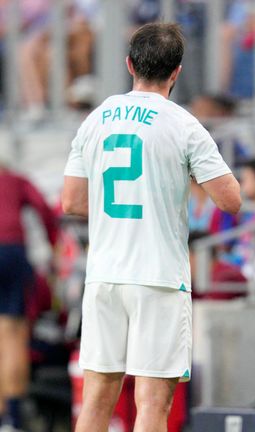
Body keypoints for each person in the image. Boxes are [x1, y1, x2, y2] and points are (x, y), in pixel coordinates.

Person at [61, 23, 241, 432]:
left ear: (129, 65)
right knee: (153, 405)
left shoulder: (96, 119)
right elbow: (231, 201)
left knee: (95, 401)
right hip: (158, 276)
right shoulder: (184, 125)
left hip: (104, 275)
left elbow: (71, 201)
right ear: (176, 72)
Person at [0, 165, 58, 431]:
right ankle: (12, 418)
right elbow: (44, 209)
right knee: (12, 337)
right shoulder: (14, 179)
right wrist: (54, 242)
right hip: (11, 251)